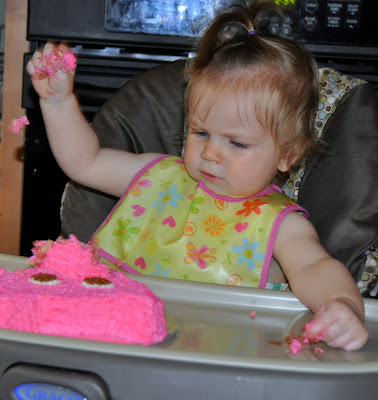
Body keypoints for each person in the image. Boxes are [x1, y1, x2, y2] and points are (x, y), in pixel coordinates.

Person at [27, 0, 368, 350]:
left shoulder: (280, 226)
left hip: (217, 357)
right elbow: (86, 162)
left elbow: (316, 269)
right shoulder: (158, 177)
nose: (210, 153)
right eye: (200, 132)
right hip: (116, 340)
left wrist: (343, 306)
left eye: (236, 143)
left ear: (287, 154)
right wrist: (58, 103)